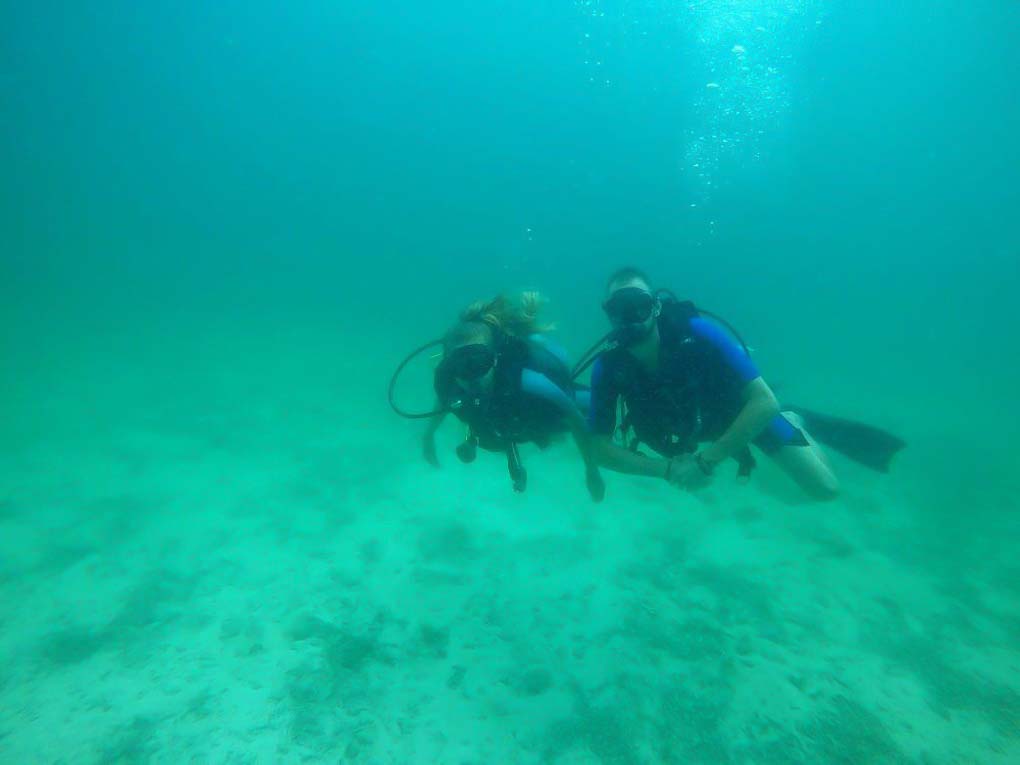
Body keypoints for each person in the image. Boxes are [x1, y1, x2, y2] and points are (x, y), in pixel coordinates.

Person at [586, 268, 902, 501]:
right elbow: (598, 448)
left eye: (637, 305)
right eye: (617, 308)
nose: (629, 316)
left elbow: (764, 402)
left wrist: (706, 462)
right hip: (684, 437)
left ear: (655, 307)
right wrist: (665, 469)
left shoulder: (698, 333)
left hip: (743, 417)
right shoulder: (608, 366)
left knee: (825, 489)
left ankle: (794, 420)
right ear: (608, 314)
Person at [422, 292, 605, 501]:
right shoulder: (449, 382)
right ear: (448, 365)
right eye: (461, 366)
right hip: (503, 428)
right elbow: (444, 400)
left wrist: (592, 470)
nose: (472, 375)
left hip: (537, 417)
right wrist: (428, 436)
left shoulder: (525, 380)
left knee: (592, 405)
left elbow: (573, 414)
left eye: (479, 363)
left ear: (495, 359)